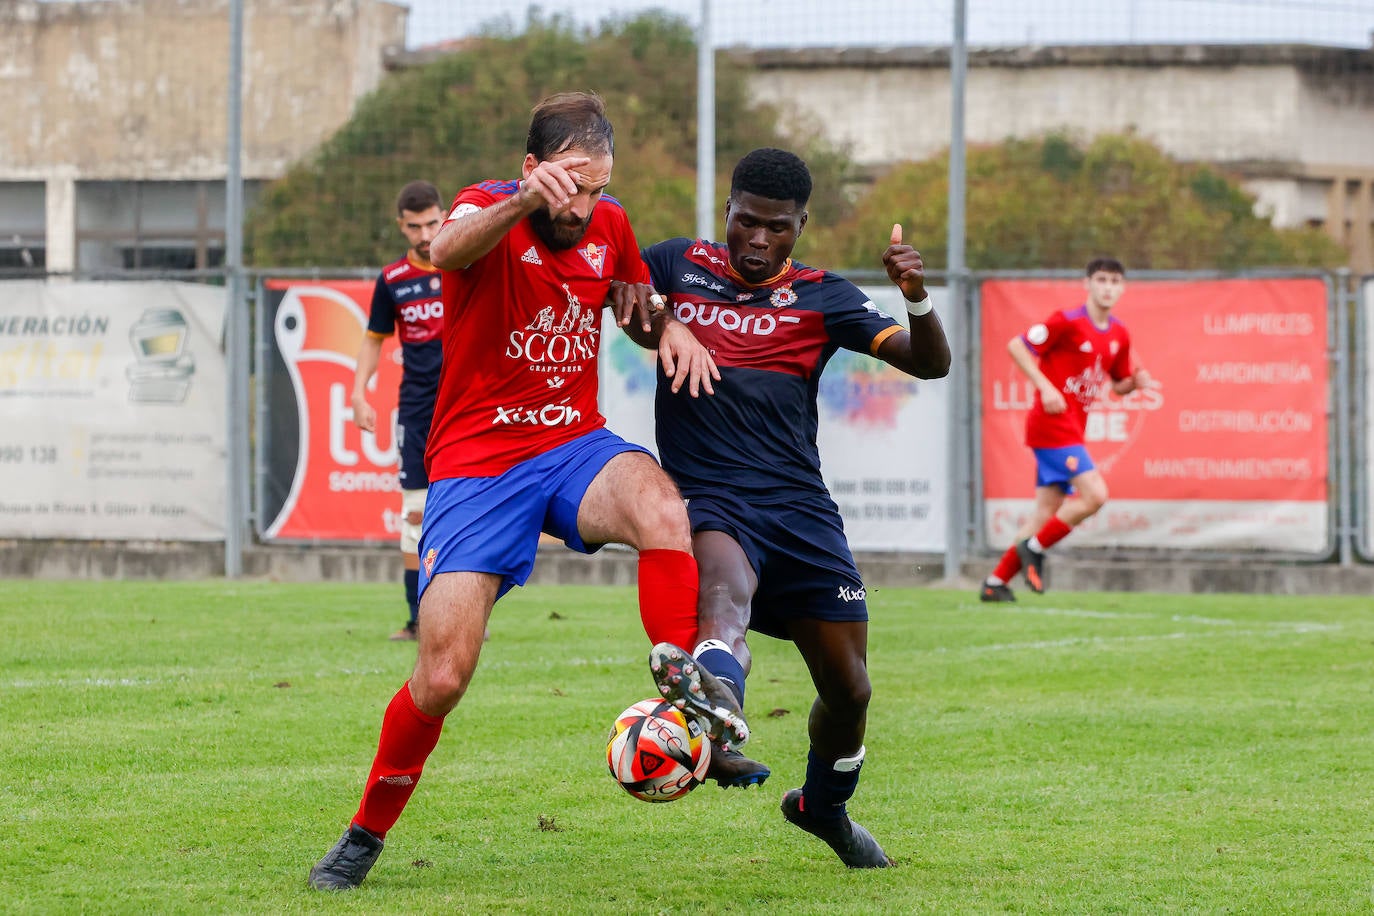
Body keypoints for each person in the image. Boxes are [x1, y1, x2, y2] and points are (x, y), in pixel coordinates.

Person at [308, 91, 726, 891]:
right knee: (442, 675)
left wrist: (666, 324)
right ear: (532, 169)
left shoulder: (609, 223)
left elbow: (631, 304)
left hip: (572, 443)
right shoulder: (485, 206)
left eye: (598, 186)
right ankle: (366, 833)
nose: (585, 205)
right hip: (476, 463)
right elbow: (447, 251)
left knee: (662, 505)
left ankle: (682, 700)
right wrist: (527, 200)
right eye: (571, 183)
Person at [613, 147, 951, 868]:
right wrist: (662, 324)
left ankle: (821, 809)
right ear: (726, 213)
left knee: (850, 688)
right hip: (708, 498)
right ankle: (714, 709)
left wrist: (916, 296)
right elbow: (623, 298)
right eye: (746, 223)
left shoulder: (824, 296)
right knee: (723, 599)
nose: (759, 241)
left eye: (777, 229)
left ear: (801, 225)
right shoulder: (676, 263)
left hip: (802, 513)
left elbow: (930, 364)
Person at [978, 257, 1151, 602]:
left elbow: (1118, 386)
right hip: (1051, 426)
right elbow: (1017, 346)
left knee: (1045, 513)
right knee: (1095, 496)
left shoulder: (1119, 334)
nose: (1107, 287)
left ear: (1123, 288)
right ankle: (1035, 548)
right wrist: (1045, 387)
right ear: (1087, 284)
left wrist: (1135, 383)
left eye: (1115, 281)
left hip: (1073, 428)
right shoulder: (1067, 321)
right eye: (1101, 280)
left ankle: (995, 583)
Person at [349, 180, 445, 641]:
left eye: (431, 223)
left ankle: (462, 617)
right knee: (414, 514)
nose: (425, 234)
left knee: (466, 515)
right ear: (401, 227)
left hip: (468, 412)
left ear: (445, 216)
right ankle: (417, 620)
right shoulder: (392, 281)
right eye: (415, 227)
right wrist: (357, 392)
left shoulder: (467, 266)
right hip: (417, 413)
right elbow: (373, 340)